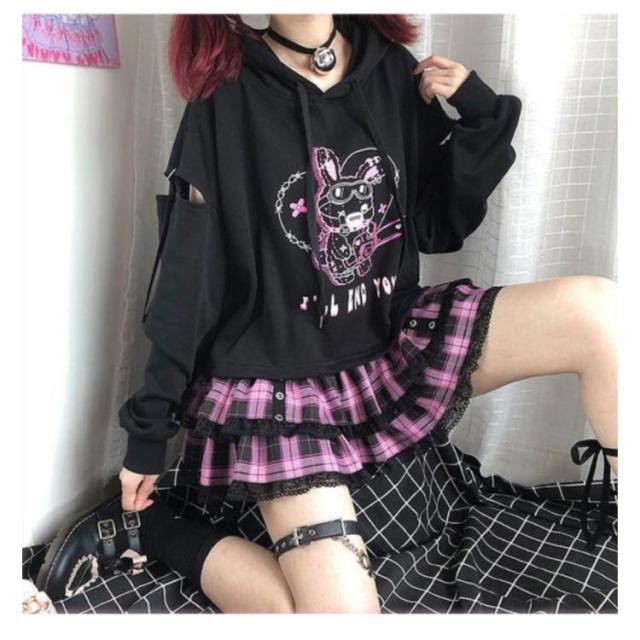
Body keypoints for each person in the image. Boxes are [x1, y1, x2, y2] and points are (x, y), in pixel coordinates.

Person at [40, 14, 617, 613]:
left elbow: (435, 225)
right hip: (280, 383)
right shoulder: (224, 96)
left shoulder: (390, 69)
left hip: (387, 345)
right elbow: (189, 277)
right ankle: (147, 527)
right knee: (339, 615)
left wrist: (480, 114)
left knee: (600, 313)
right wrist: (148, 432)